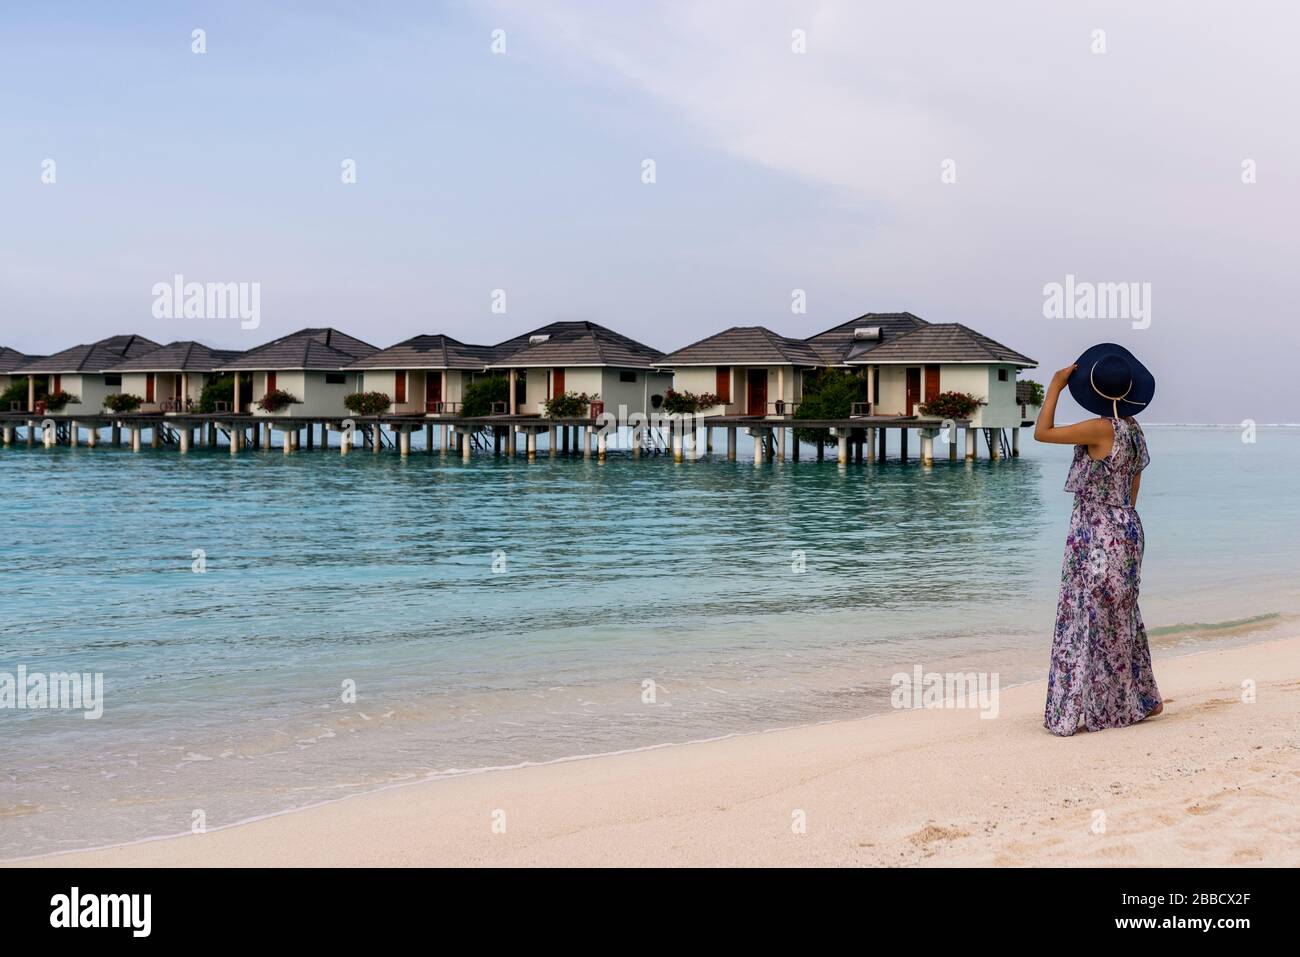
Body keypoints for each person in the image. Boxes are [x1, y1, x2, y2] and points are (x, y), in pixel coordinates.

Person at [1034, 343, 1161, 735]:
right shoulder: (1134, 431)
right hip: (1127, 527)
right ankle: (1134, 700)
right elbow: (1133, 487)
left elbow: (1042, 432)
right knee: (1120, 617)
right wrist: (1119, 521)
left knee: (1084, 615)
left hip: (1095, 531)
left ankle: (1086, 708)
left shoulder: (1100, 428)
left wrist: (1054, 388)